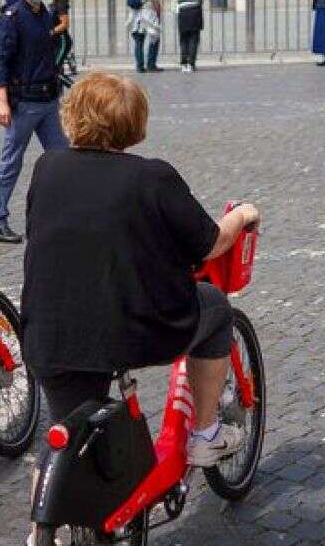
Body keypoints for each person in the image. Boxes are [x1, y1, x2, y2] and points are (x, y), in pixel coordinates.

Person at [20, 71, 261, 488]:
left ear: (71, 116)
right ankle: (206, 433)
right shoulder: (153, 177)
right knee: (216, 307)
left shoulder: (47, 168)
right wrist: (241, 215)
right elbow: (210, 243)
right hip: (135, 328)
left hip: (50, 331)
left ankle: (48, 512)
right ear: (135, 123)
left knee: (69, 436)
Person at [0, 0, 66, 244]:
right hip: (24, 102)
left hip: (48, 99)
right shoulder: (12, 17)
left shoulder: (45, 14)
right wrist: (2, 101)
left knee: (63, 158)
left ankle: (66, 213)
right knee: (11, 162)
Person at [128, 0, 163, 73]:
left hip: (135, 13)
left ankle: (140, 66)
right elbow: (156, 1)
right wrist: (158, 15)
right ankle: (151, 64)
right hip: (148, 12)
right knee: (154, 37)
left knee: (138, 40)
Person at [173, 0, 205, 72]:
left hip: (183, 12)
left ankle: (183, 63)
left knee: (183, 39)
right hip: (195, 12)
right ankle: (191, 63)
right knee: (194, 39)